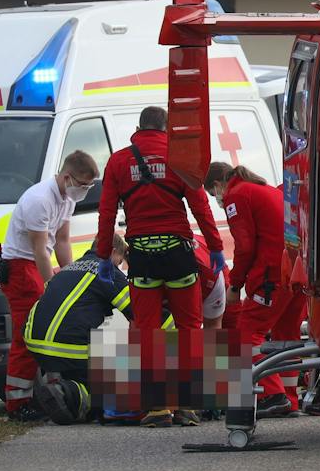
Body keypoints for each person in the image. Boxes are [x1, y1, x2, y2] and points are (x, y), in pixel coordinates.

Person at [94, 107, 226, 334]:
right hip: (178, 256)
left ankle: (153, 370)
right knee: (190, 330)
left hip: (142, 260)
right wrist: (215, 247)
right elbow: (200, 208)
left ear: (138, 129)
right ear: (167, 130)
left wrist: (104, 255)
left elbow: (107, 214)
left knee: (147, 334)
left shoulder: (118, 161)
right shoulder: (181, 158)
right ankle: (190, 370)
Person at [205, 161, 317, 418]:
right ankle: (289, 397)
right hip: (295, 271)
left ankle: (272, 395)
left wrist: (236, 284)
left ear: (218, 185)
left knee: (246, 335)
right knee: (285, 337)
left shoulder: (237, 195)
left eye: (214, 194)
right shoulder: (262, 188)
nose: (218, 200)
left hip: (270, 276)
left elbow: (244, 247)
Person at [0, 151, 99, 419]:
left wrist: (71, 276)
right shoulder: (39, 199)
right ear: (67, 177)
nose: (84, 191)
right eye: (83, 185)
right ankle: (17, 405)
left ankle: (51, 395)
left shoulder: (67, 199)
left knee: (50, 331)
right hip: (21, 266)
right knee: (27, 335)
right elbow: (40, 249)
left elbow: (63, 241)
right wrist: (53, 286)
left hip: (35, 265)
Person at [24, 248, 133, 424]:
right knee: (116, 368)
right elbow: (136, 310)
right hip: (69, 346)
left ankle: (63, 388)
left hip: (34, 342)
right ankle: (67, 394)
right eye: (120, 261)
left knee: (96, 347)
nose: (119, 267)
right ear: (113, 252)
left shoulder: (68, 268)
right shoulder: (107, 269)